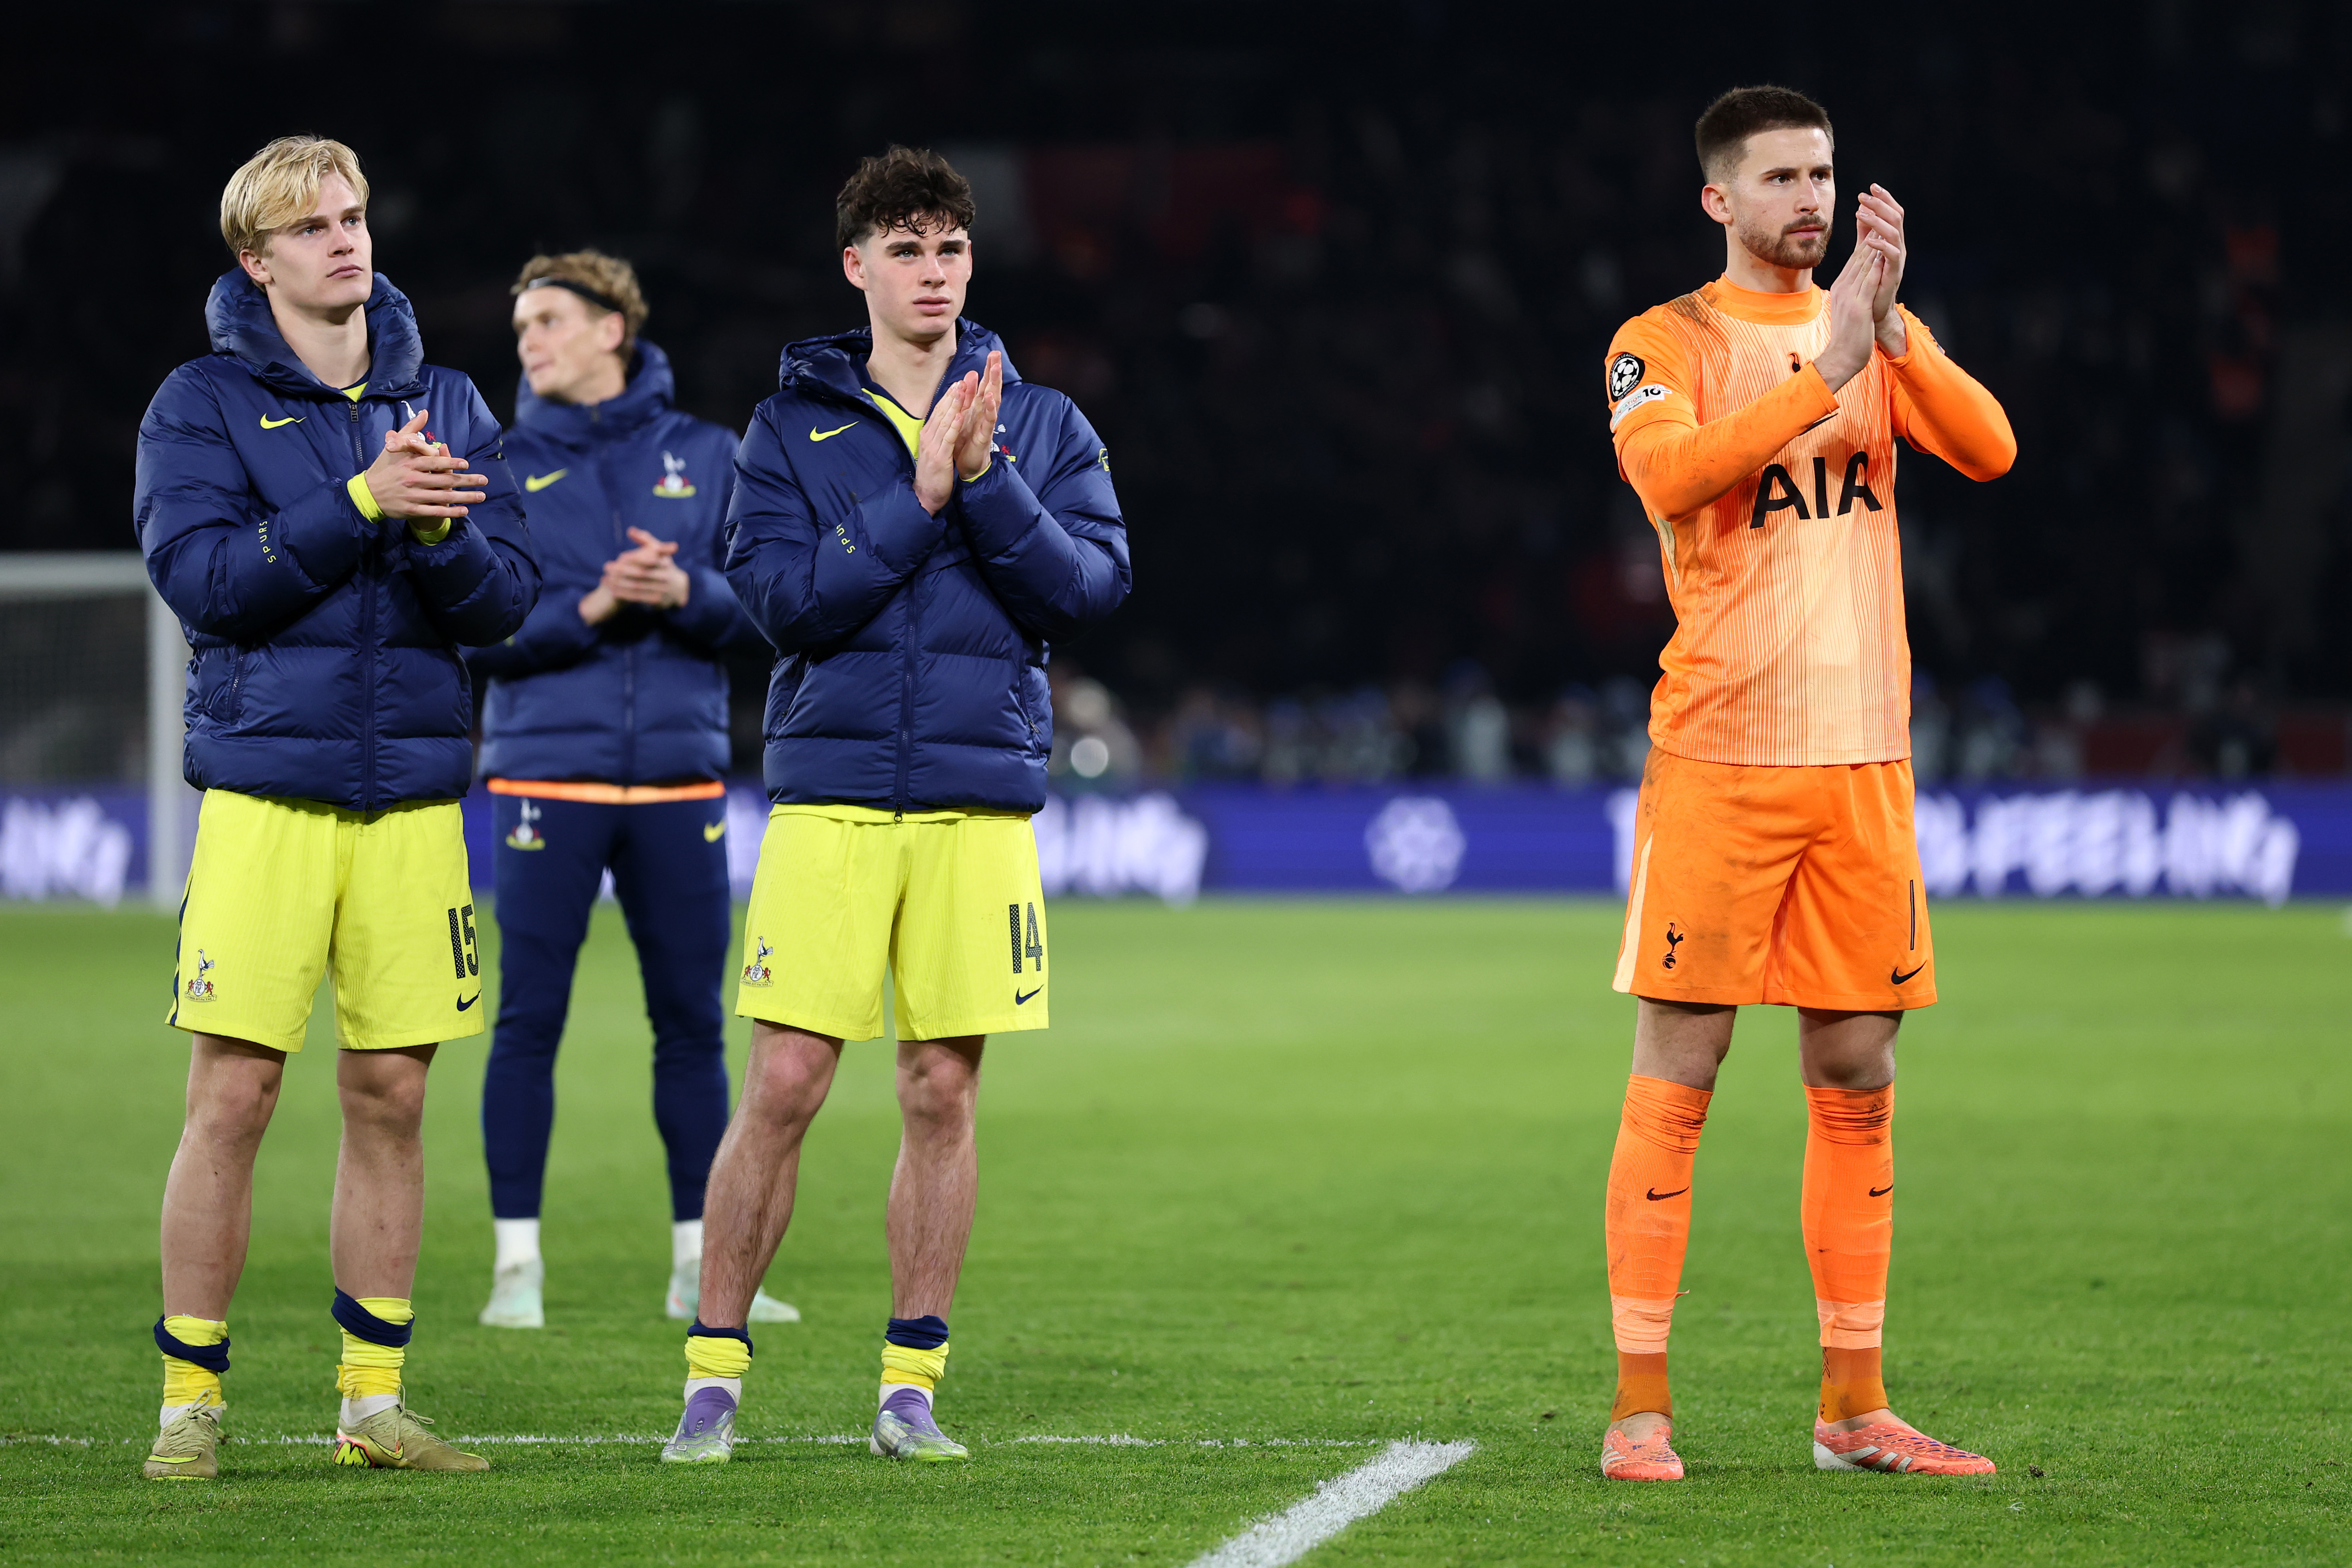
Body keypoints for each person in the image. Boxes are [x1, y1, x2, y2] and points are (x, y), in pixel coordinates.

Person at [658, 147, 1129, 1464]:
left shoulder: (1041, 427)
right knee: (790, 1080)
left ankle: (909, 1387)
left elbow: (1089, 593)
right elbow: (788, 604)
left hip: (979, 802)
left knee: (939, 1089)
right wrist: (920, 493)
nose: (933, 272)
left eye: (950, 248)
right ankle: (713, 1377)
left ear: (972, 262)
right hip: (834, 794)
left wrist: (984, 479)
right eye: (905, 249)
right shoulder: (785, 428)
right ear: (855, 266)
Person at [1594, 87, 2015, 1482]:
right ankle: (1639, 1410)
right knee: (1682, 1071)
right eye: (1780, 178)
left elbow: (1990, 449)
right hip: (1719, 753)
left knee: (1856, 1071)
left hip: (1862, 760)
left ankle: (1853, 1409)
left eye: (1824, 174)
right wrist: (1821, 363)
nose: (1810, 200)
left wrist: (1885, 335)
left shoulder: (1875, 333)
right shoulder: (1662, 342)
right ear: (1718, 199)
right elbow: (1672, 480)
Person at [133, 136, 538, 1479]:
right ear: (257, 260)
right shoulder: (200, 404)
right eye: (312, 228)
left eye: (355, 217)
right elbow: (206, 584)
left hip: (416, 804)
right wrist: (366, 499)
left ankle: (373, 1405)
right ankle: (191, 1403)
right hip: (264, 797)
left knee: (390, 1097)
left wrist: (437, 529)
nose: (346, 242)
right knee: (236, 1095)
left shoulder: (453, 404)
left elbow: (506, 605)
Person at [468, 251, 796, 1331]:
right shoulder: (499, 462)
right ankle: (515, 1266)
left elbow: (777, 611)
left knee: (691, 1027)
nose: (530, 341)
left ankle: (698, 1264)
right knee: (526, 1020)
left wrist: (687, 589)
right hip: (538, 778)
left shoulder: (709, 454)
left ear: (614, 328)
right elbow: (476, 628)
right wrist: (596, 607)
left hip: (675, 778)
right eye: (522, 326)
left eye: (550, 320)